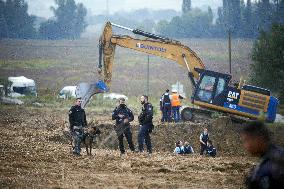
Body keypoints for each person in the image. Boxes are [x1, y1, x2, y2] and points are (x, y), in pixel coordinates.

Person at [240, 121, 284, 189]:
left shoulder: (277, 161)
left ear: (258, 139)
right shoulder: (266, 159)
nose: (245, 145)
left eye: (247, 140)